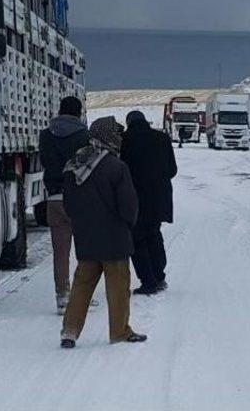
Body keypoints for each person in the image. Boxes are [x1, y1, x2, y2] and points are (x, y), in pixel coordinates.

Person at [60, 116, 147, 348]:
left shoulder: (74, 165)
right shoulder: (117, 167)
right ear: (107, 136)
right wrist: (129, 225)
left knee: (82, 285)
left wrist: (80, 222)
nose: (119, 138)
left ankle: (69, 331)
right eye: (116, 134)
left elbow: (67, 204)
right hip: (115, 238)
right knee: (118, 288)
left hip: (86, 236)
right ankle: (119, 331)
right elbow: (128, 206)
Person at [40, 96, 90, 315]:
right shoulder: (84, 135)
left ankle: (62, 296)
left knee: (60, 252)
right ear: (78, 112)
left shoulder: (45, 135)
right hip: (79, 197)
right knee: (85, 250)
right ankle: (81, 294)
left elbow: (44, 161)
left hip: (54, 197)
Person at [121, 111, 178, 295]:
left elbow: (122, 170)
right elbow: (172, 169)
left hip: (135, 197)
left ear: (129, 123)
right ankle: (159, 276)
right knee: (154, 233)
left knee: (137, 239)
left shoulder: (125, 140)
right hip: (159, 197)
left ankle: (148, 281)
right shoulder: (162, 138)